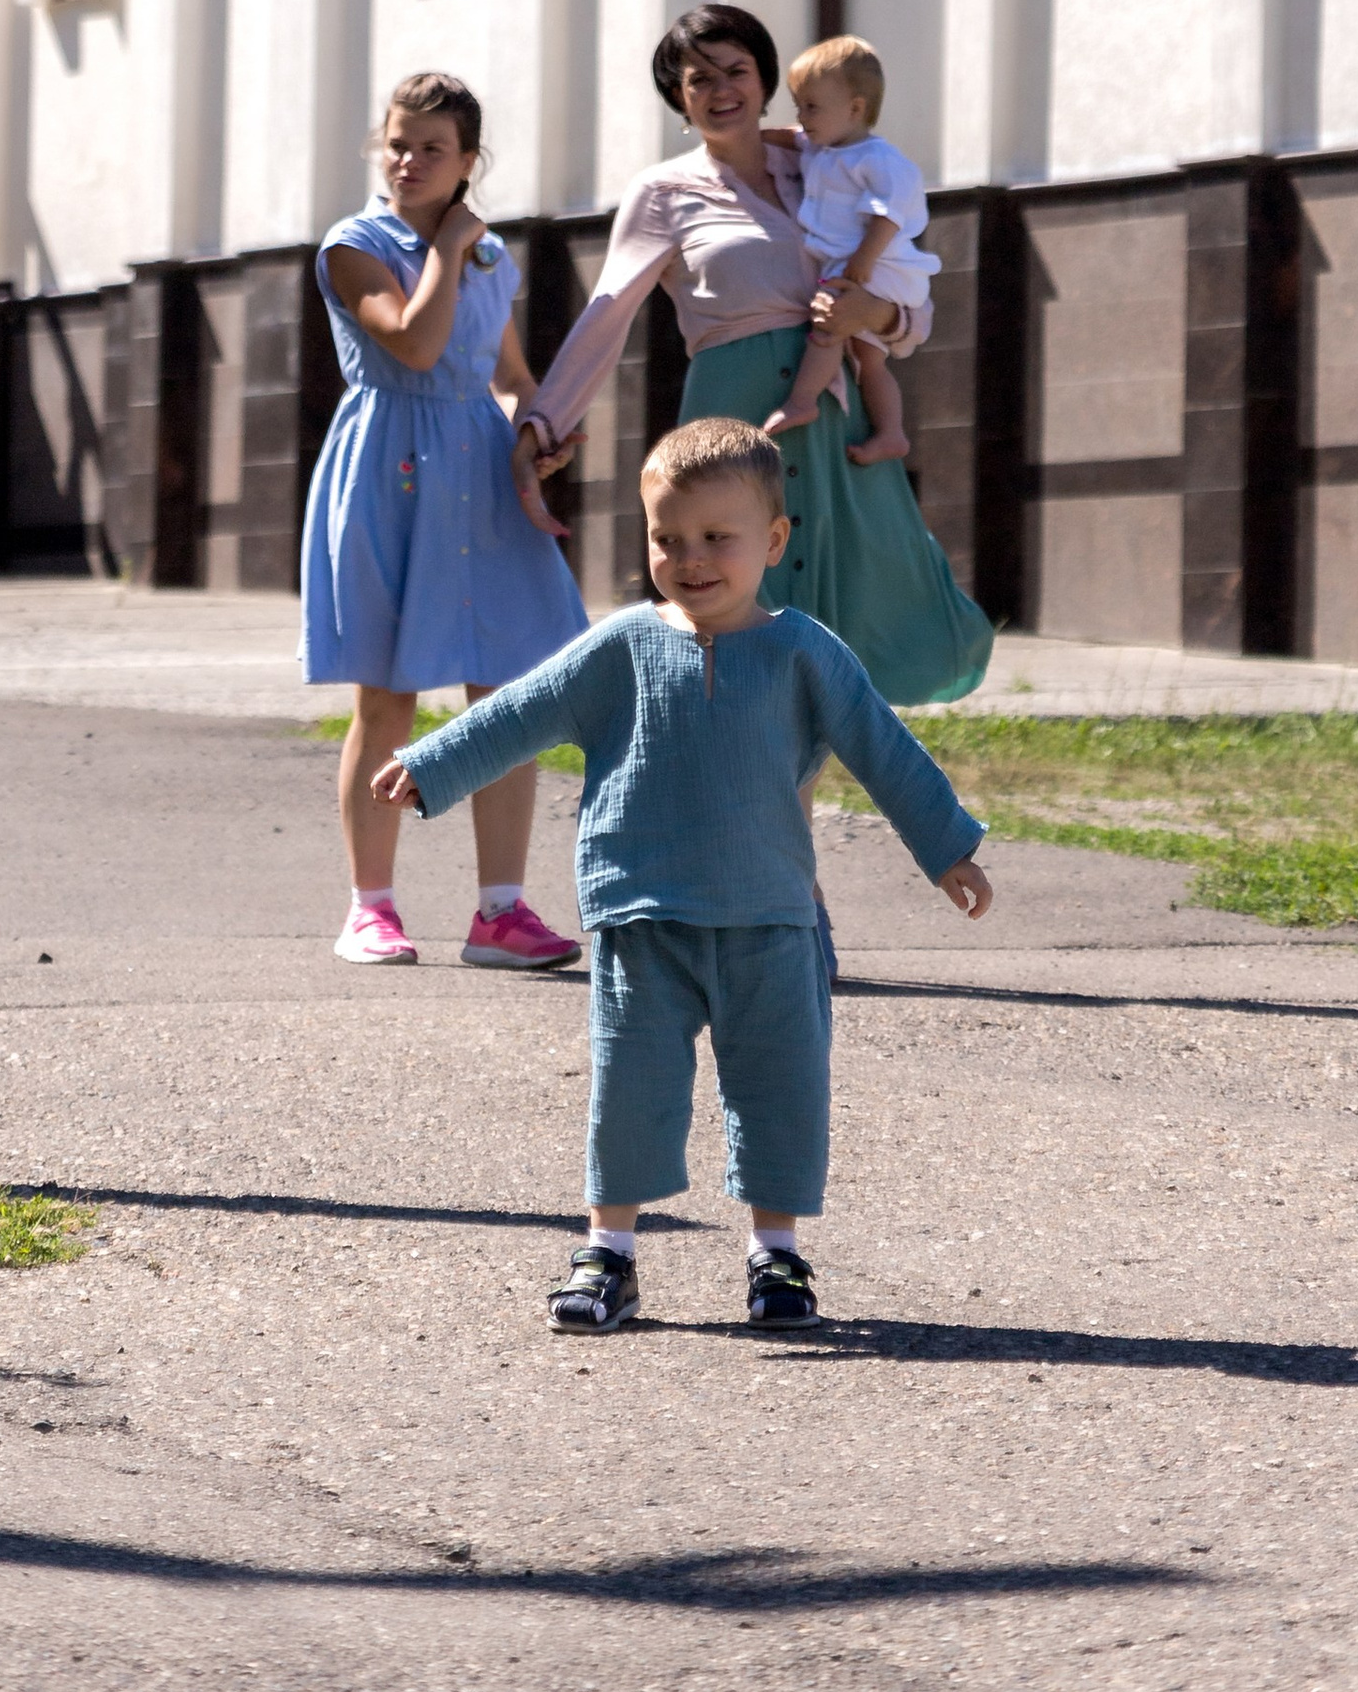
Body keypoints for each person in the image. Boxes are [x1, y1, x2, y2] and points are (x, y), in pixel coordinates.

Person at [378, 417, 992, 1331]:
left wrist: (947, 848)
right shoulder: (621, 646)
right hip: (642, 917)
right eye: (667, 539)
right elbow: (522, 710)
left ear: (773, 541)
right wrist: (433, 764)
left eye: (716, 537)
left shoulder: (804, 651)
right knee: (630, 1092)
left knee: (781, 1091)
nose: (690, 559)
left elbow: (883, 747)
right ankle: (609, 1253)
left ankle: (776, 1254)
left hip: (770, 919)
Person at [512, 2, 993, 712]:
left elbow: (907, 296)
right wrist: (544, 424)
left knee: (873, 594)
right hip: (734, 418)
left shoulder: (826, 163)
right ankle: (734, 770)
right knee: (737, 606)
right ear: (678, 99)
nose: (720, 89)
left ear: (766, 80)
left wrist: (877, 316)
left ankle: (823, 773)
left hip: (835, 417)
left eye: (735, 70)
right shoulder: (661, 192)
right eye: (698, 78)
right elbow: (606, 314)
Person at [303, 71, 586, 969]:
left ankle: (500, 912)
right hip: (389, 470)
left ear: (468, 161)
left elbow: (508, 374)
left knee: (506, 692)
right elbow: (417, 344)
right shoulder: (353, 246)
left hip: (480, 475)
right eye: (397, 143)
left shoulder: (489, 254)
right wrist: (452, 247)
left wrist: (538, 432)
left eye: (432, 147)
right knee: (386, 696)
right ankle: (370, 909)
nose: (409, 160)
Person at [761, 32, 936, 466]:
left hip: (878, 265)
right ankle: (892, 433)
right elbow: (791, 137)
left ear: (855, 109)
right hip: (860, 265)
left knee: (828, 327)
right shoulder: (822, 146)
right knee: (870, 360)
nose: (801, 118)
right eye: (798, 105)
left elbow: (887, 215)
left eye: (811, 107)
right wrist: (754, 135)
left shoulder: (877, 159)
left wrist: (861, 263)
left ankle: (802, 400)